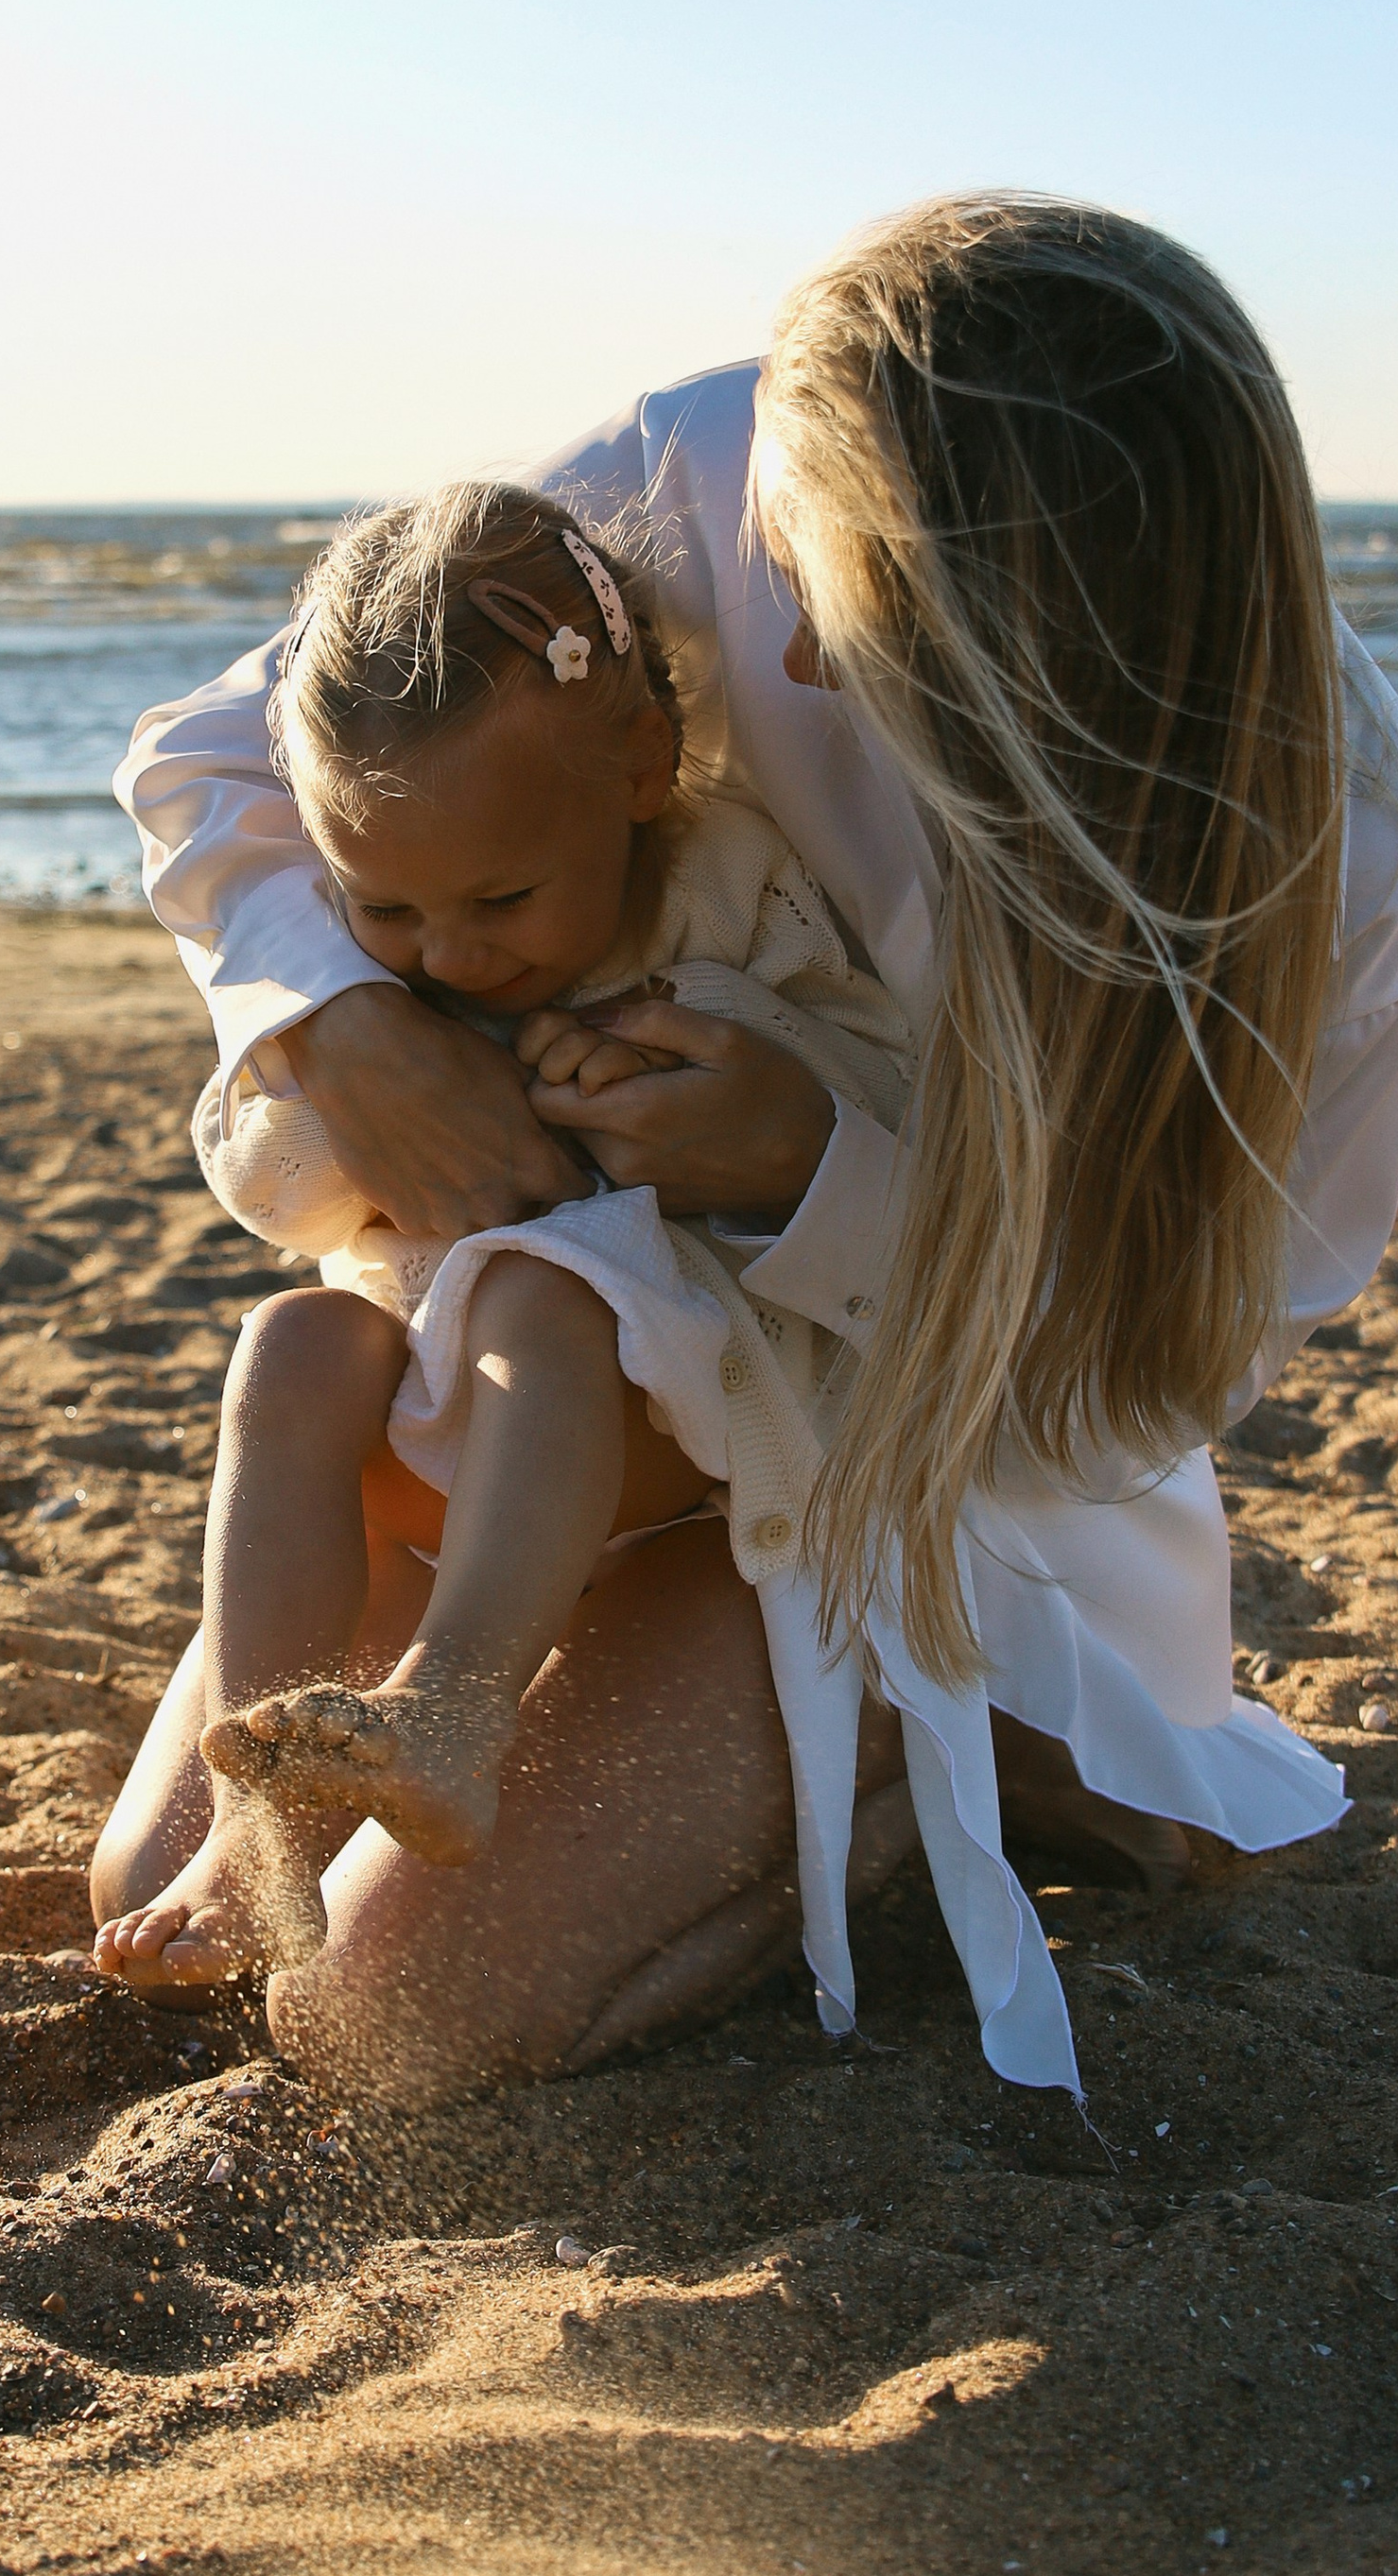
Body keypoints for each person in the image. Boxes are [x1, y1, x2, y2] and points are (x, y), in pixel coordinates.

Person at [93, 193, 1398, 2106]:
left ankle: (959, 1753)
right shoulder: (721, 456)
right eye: (794, 563)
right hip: (541, 1399)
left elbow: (1140, 1380)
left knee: (380, 2016)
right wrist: (357, 1022)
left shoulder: (1345, 875)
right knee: (156, 1891)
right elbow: (233, 751)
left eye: (874, 606)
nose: (788, 647)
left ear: (1057, 613)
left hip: (901, 1479)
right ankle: (593, 1662)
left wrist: (811, 1171)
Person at [90, 477, 917, 1995]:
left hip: (678, 1413)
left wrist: (709, 1056)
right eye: (390, 910)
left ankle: (454, 1706)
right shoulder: (378, 951)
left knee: (544, 1290)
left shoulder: (744, 889)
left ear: (643, 765)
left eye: (503, 899)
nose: (454, 953)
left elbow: (879, 1082)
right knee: (290, 1337)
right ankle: (260, 1816)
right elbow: (273, 1193)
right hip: (436, 1415)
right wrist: (363, 1084)